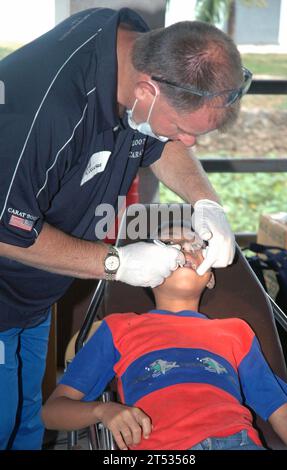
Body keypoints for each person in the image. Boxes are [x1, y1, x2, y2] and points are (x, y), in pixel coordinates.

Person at [0, 7, 251, 449]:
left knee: (26, 422)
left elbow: (161, 139)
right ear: (145, 90)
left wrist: (207, 202)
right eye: (182, 130)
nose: (186, 144)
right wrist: (115, 262)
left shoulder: (144, 50)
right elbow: (7, 231)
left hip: (34, 296)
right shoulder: (42, 111)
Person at [42, 224, 287, 451]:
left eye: (196, 245)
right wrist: (103, 410)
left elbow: (284, 415)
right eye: (168, 245)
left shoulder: (236, 332)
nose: (184, 250)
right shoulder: (118, 329)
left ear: (210, 277)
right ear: (145, 269)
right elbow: (52, 412)